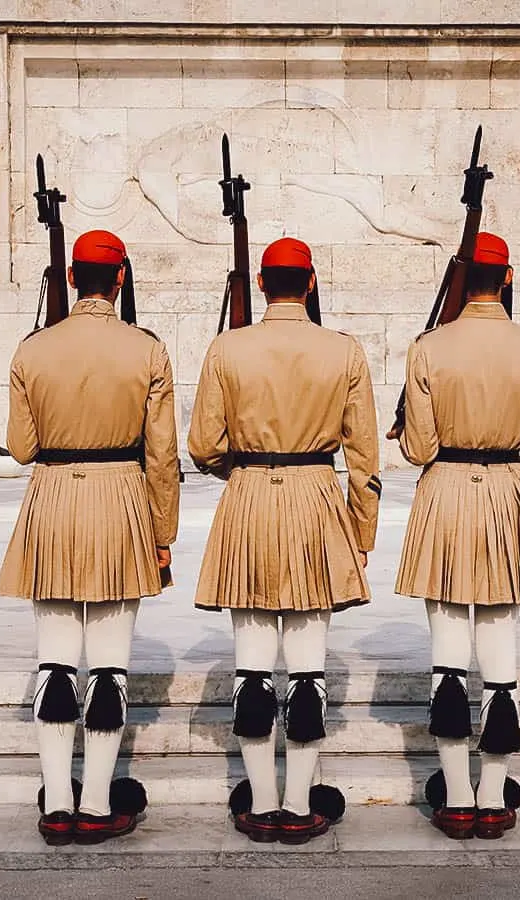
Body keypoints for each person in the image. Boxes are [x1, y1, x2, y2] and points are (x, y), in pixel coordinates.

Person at [188, 237, 380, 845]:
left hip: (249, 495)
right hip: (317, 497)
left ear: (263, 286)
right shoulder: (343, 351)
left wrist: (242, 472)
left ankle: (260, 801)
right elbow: (365, 452)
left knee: (251, 665)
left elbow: (202, 445)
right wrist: (362, 528)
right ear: (312, 282)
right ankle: (299, 803)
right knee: (307, 668)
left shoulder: (228, 348)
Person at [0, 229, 180, 846]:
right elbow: (162, 456)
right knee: (108, 667)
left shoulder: (32, 350)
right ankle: (98, 803)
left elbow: (21, 448)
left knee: (54, 661)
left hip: (52, 498)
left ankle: (56, 803)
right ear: (120, 279)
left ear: (72, 279)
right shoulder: (147, 350)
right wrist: (163, 531)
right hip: (121, 497)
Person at [395, 232, 520, 840]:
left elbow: (419, 448)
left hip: (444, 491)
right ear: (510, 277)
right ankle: (493, 795)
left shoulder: (428, 347)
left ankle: (456, 795)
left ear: (463, 283)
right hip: (507, 492)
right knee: (499, 649)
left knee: (447, 653)